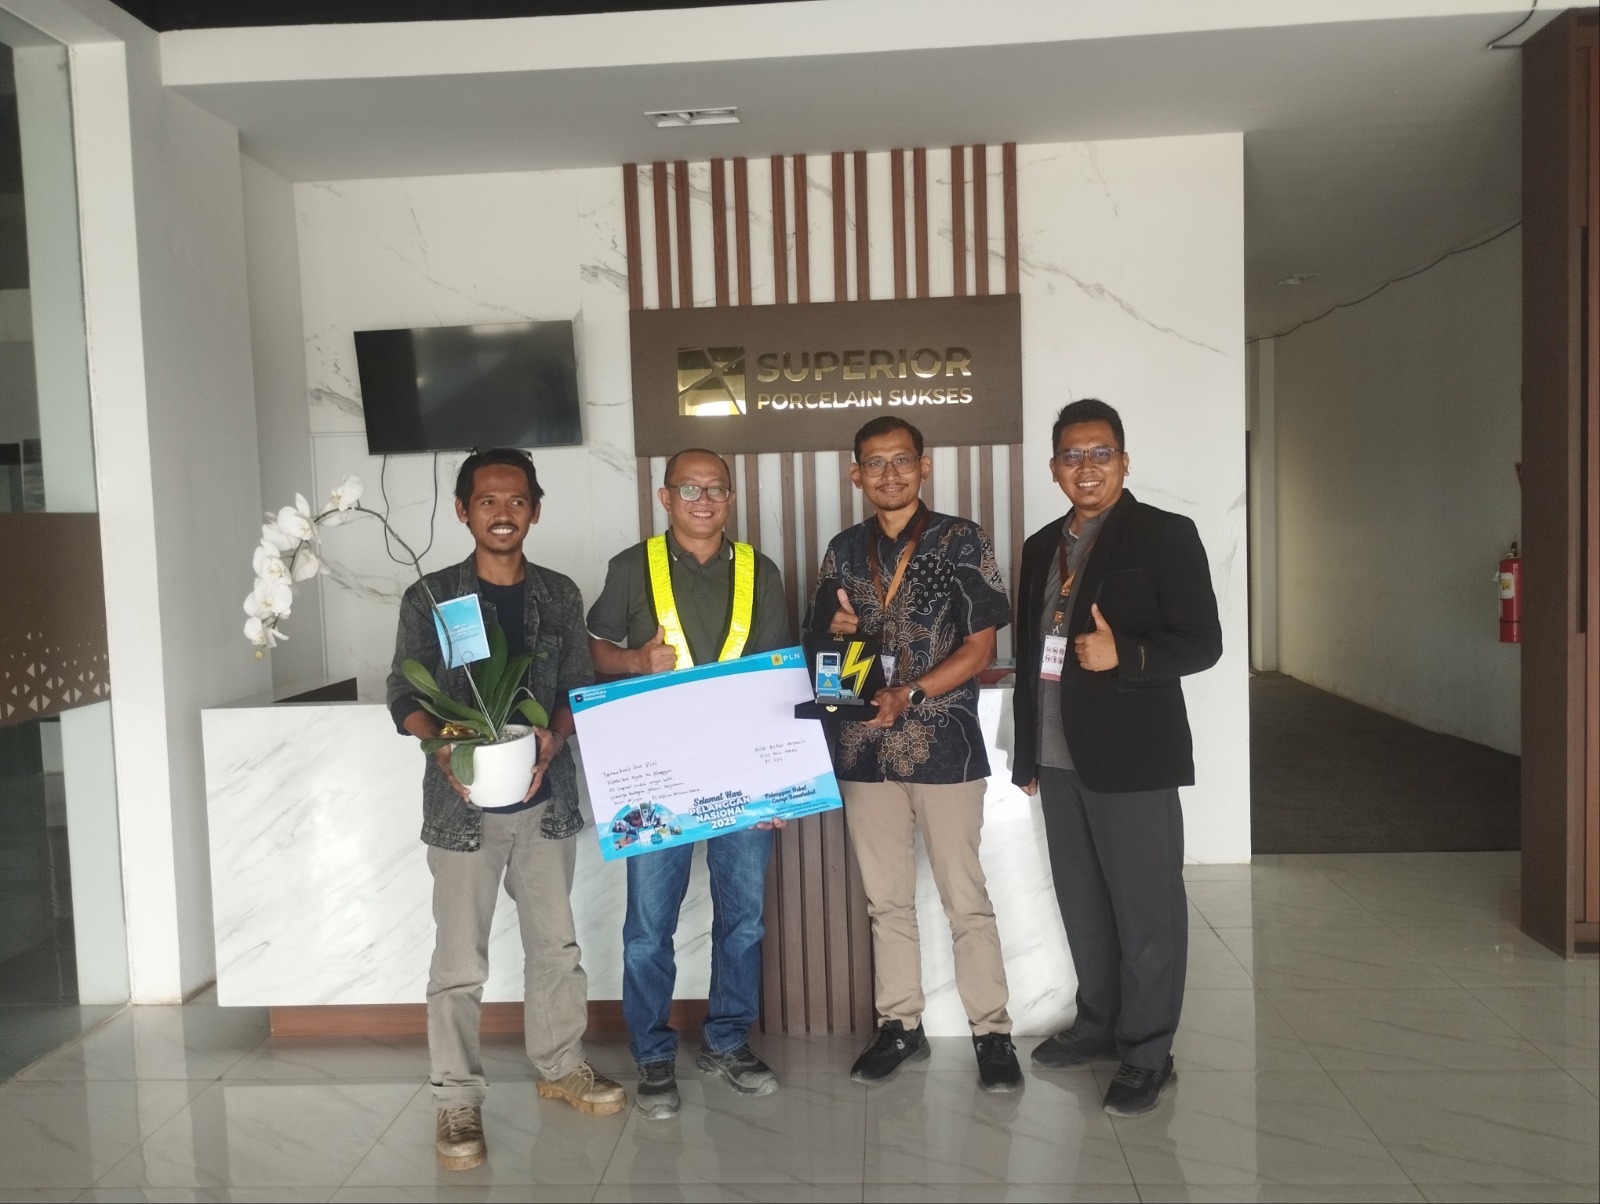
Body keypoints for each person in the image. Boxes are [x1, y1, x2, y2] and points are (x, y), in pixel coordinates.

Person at [386, 447, 625, 1172]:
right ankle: (457, 1099)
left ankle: (561, 1065)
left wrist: (556, 735)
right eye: (487, 501)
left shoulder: (558, 593)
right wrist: (445, 749)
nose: (502, 512)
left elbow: (577, 684)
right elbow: (404, 693)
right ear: (464, 511)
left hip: (544, 801)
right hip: (463, 809)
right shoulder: (432, 596)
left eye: (516, 500)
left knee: (557, 948)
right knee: (460, 961)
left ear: (535, 511)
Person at [1011, 398, 1222, 1117]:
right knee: (1084, 904)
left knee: (1146, 911)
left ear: (1124, 462)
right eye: (1073, 455)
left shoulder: (1164, 534)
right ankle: (1098, 1024)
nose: (1087, 467)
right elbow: (1030, 656)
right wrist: (1028, 756)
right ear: (1054, 468)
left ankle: (1147, 1051)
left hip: (1132, 758)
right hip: (1058, 758)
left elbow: (1203, 643)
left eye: (1101, 453)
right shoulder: (1042, 545)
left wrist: (1124, 654)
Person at [810, 415, 1022, 1092]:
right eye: (875, 463)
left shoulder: (964, 540)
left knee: (966, 899)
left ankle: (992, 1032)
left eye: (902, 460)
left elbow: (981, 649)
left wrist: (912, 693)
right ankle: (900, 1025)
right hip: (865, 750)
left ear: (923, 467)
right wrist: (836, 632)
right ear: (856, 475)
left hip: (944, 746)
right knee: (887, 902)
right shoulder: (843, 551)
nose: (890, 474)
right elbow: (824, 661)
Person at [587, 448, 792, 1119]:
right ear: (665, 496)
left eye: (716, 489)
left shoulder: (760, 571)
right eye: (690, 488)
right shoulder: (631, 566)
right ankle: (652, 1055)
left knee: (744, 921)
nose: (704, 500)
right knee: (648, 927)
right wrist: (634, 661)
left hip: (740, 772)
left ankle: (728, 1042)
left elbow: (776, 680)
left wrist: (778, 785)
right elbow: (592, 649)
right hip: (654, 775)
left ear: (731, 497)